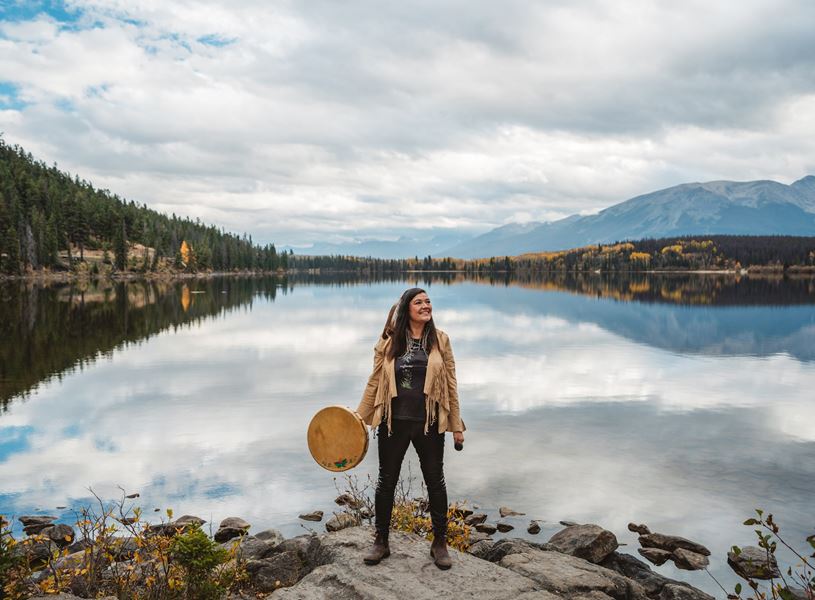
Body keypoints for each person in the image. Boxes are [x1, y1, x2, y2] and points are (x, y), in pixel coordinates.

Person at [355, 287, 466, 570]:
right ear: (407, 309)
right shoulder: (389, 342)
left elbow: (451, 383)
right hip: (394, 422)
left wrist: (456, 425)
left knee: (435, 481)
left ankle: (439, 542)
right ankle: (381, 541)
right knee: (386, 481)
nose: (426, 305)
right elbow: (374, 380)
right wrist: (358, 417)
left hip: (428, 423)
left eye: (428, 301)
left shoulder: (440, 340)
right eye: (419, 302)